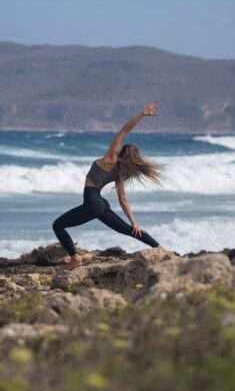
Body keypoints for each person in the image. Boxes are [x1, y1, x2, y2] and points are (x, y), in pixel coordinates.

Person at [52, 101, 166, 269]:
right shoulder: (120, 172)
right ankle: (161, 250)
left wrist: (141, 114)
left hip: (93, 202)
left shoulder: (111, 158)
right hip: (100, 204)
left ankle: (75, 259)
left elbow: (124, 130)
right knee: (129, 230)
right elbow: (123, 199)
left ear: (122, 151)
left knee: (58, 225)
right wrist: (134, 222)